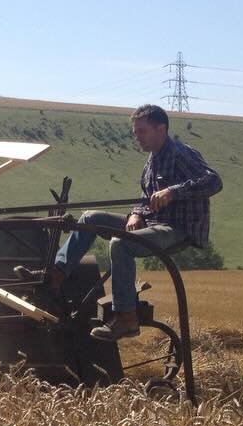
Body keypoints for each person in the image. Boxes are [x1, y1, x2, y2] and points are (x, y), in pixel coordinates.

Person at [27, 104, 222, 341]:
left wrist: (173, 191)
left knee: (121, 244)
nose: (136, 137)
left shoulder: (181, 153)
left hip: (176, 228)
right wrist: (136, 214)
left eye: (142, 131)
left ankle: (126, 318)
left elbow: (213, 181)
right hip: (151, 223)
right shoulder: (151, 162)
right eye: (135, 132)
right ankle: (55, 278)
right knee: (89, 218)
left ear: (161, 129)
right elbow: (144, 198)